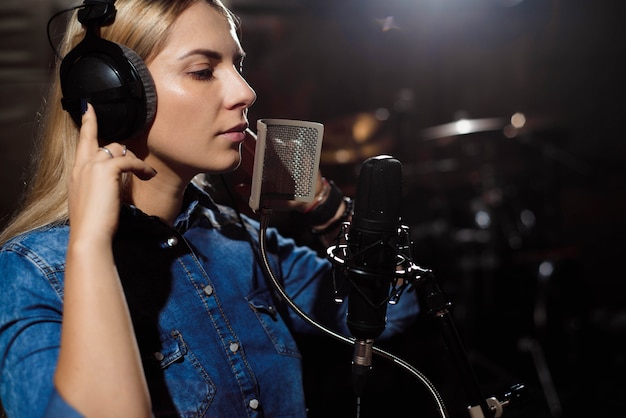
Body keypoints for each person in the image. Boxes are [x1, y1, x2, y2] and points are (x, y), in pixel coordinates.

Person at [0, 0, 419, 416]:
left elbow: (393, 311)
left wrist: (321, 203)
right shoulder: (32, 274)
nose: (245, 92)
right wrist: (91, 247)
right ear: (110, 95)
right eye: (203, 71)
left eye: (237, 65)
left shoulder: (241, 242)